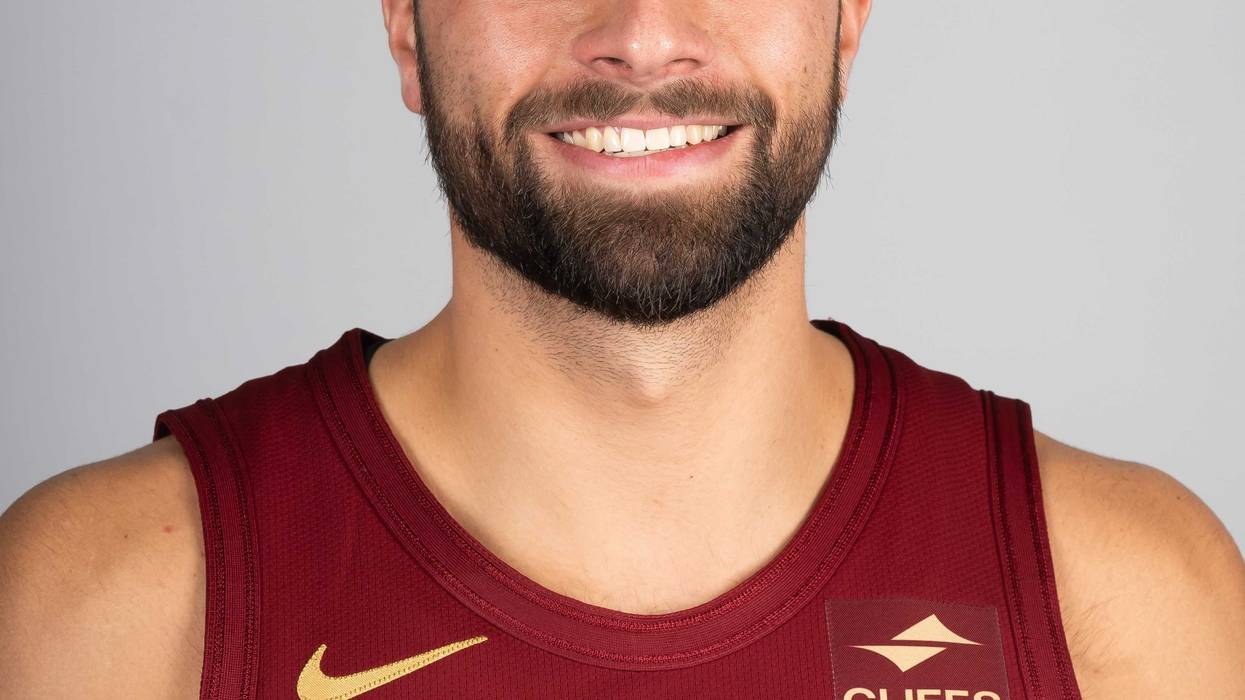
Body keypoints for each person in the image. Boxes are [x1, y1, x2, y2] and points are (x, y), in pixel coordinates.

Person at [2, 1, 1242, 697]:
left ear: (848, 18)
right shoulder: (107, 610)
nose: (645, 37)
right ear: (402, 24)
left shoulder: (1127, 605)